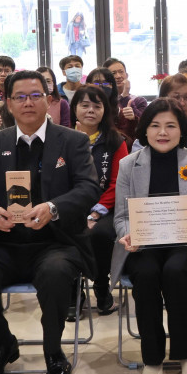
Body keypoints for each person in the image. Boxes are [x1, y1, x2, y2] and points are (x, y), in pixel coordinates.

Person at [0, 70, 102, 374]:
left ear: (49, 100)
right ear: (8, 103)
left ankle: (53, 348)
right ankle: (2, 343)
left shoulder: (73, 140)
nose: (28, 103)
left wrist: (53, 208)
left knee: (54, 272)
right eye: (20, 97)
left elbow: (89, 187)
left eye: (36, 95)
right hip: (6, 242)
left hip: (57, 242)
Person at [111, 98, 187, 374]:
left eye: (170, 126)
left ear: (181, 129)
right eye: (155, 126)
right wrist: (126, 234)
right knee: (146, 275)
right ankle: (152, 357)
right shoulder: (128, 164)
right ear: (145, 130)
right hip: (143, 243)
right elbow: (121, 216)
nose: (163, 132)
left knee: (175, 274)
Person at [71, 84, 127, 317]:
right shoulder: (63, 139)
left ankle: (102, 289)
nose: (90, 110)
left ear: (106, 109)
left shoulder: (116, 140)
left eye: (97, 105)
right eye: (84, 105)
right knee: (65, 231)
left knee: (101, 234)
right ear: (74, 108)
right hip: (71, 206)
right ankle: (73, 295)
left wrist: (95, 213)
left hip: (106, 208)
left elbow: (118, 183)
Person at [103, 58, 148, 145]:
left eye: (121, 72)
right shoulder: (103, 102)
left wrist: (125, 95)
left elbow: (143, 124)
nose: (118, 76)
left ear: (126, 75)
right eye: (113, 73)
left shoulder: (139, 101)